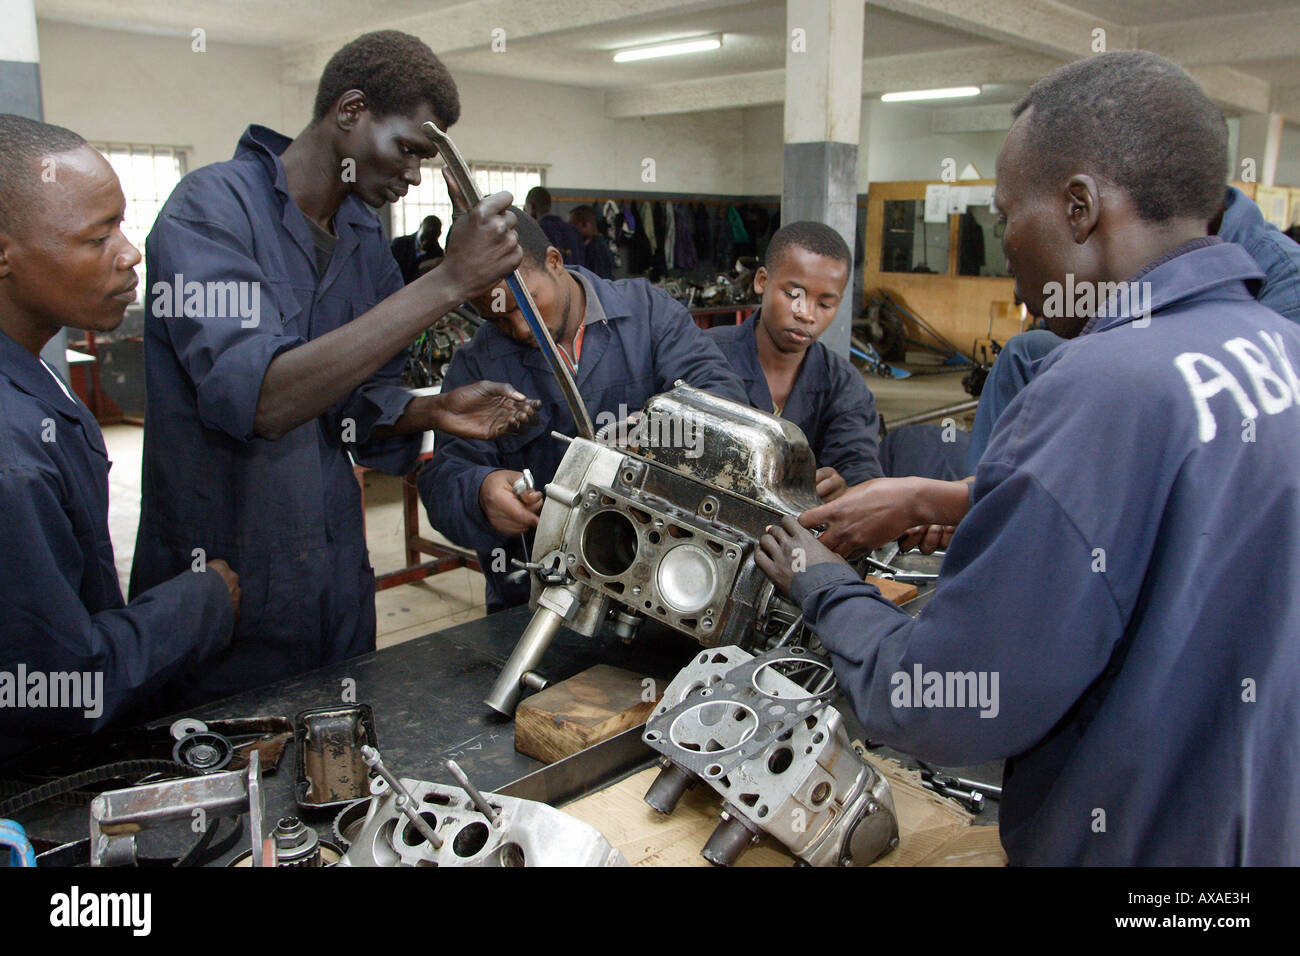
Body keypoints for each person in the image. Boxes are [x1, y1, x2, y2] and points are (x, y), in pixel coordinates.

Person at [756, 51, 1300, 865]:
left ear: (1079, 207)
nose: (1005, 247)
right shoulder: (1278, 349)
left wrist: (829, 589)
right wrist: (947, 501)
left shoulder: (1101, 386)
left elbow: (947, 702)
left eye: (1007, 213)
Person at [129, 31, 538, 709]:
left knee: (343, 774)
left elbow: (353, 405)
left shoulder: (362, 236)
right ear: (350, 111)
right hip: (228, 587)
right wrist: (447, 282)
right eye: (408, 149)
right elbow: (262, 396)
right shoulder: (211, 211)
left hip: (334, 584)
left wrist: (429, 409)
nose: (412, 175)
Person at [0, 116, 239, 759]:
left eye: (122, 223)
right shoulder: (13, 459)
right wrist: (200, 603)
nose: (130, 251)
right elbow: (55, 688)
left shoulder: (30, 377)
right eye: (97, 235)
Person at [420, 211, 747, 612]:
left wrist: (656, 433)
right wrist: (479, 492)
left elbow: (723, 400)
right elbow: (442, 478)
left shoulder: (647, 313)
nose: (522, 329)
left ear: (554, 262)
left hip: (658, 589)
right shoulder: (476, 365)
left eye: (529, 303)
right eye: (499, 319)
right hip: (536, 599)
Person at [967, 184, 1300, 469]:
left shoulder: (1283, 276)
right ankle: (982, 501)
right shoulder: (1149, 240)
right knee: (1026, 351)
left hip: (1204, 429)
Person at [708, 221, 881, 502]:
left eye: (825, 304)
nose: (806, 314)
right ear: (762, 281)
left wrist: (845, 489)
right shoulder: (706, 356)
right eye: (793, 295)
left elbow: (860, 469)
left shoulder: (844, 386)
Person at [525, 186, 585, 267]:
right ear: (549, 205)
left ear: (532, 207)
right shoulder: (574, 231)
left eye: (526, 208)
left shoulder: (533, 231)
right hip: (574, 279)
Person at [391, 214, 443, 284]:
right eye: (423, 238)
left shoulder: (437, 254)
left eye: (431, 240)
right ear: (420, 227)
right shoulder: (399, 244)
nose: (424, 243)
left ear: (438, 235)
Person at [568, 204, 615, 279]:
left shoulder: (597, 249)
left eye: (572, 224)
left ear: (584, 224)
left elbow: (601, 280)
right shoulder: (589, 245)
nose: (570, 229)